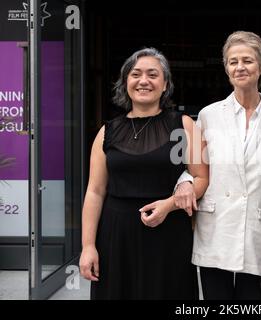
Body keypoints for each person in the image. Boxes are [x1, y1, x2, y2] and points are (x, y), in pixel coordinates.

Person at [79, 47, 208, 299]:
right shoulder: (107, 132)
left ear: (165, 84)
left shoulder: (183, 126)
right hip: (116, 237)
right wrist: (88, 246)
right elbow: (95, 192)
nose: (143, 81)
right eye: (135, 74)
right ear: (126, 82)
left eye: (152, 74)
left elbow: (202, 178)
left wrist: (170, 205)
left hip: (169, 234)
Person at [176, 31, 261, 300]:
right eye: (232, 61)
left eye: (247, 60)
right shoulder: (208, 115)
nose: (240, 67)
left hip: (259, 231)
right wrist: (185, 183)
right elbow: (194, 167)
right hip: (216, 229)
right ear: (226, 68)